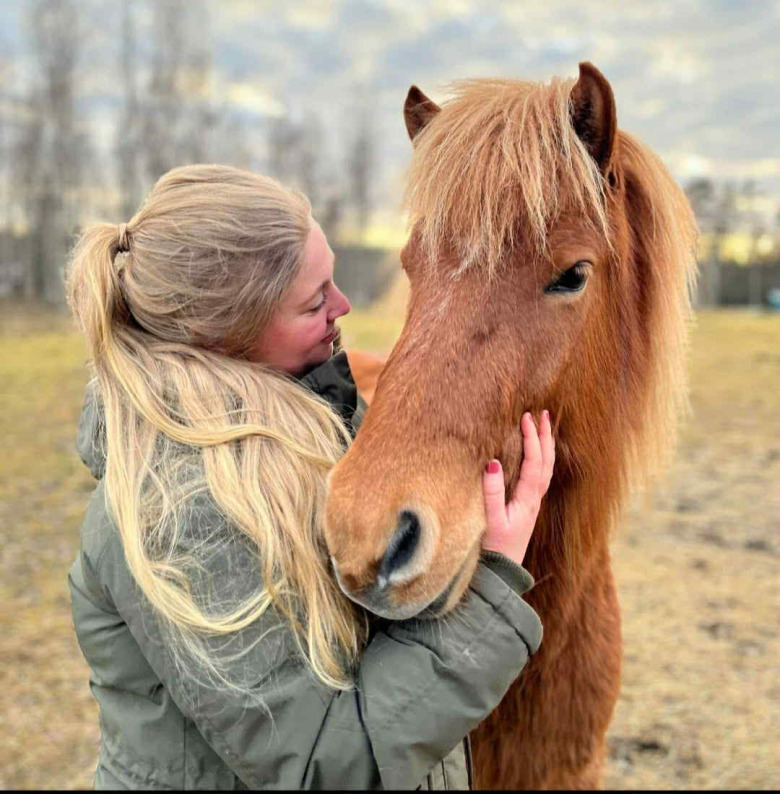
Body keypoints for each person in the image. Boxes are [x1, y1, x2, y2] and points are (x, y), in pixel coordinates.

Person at [66, 164, 555, 790]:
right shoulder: (178, 510)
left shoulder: (308, 416)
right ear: (222, 334)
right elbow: (326, 765)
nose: (344, 307)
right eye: (314, 299)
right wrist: (490, 586)